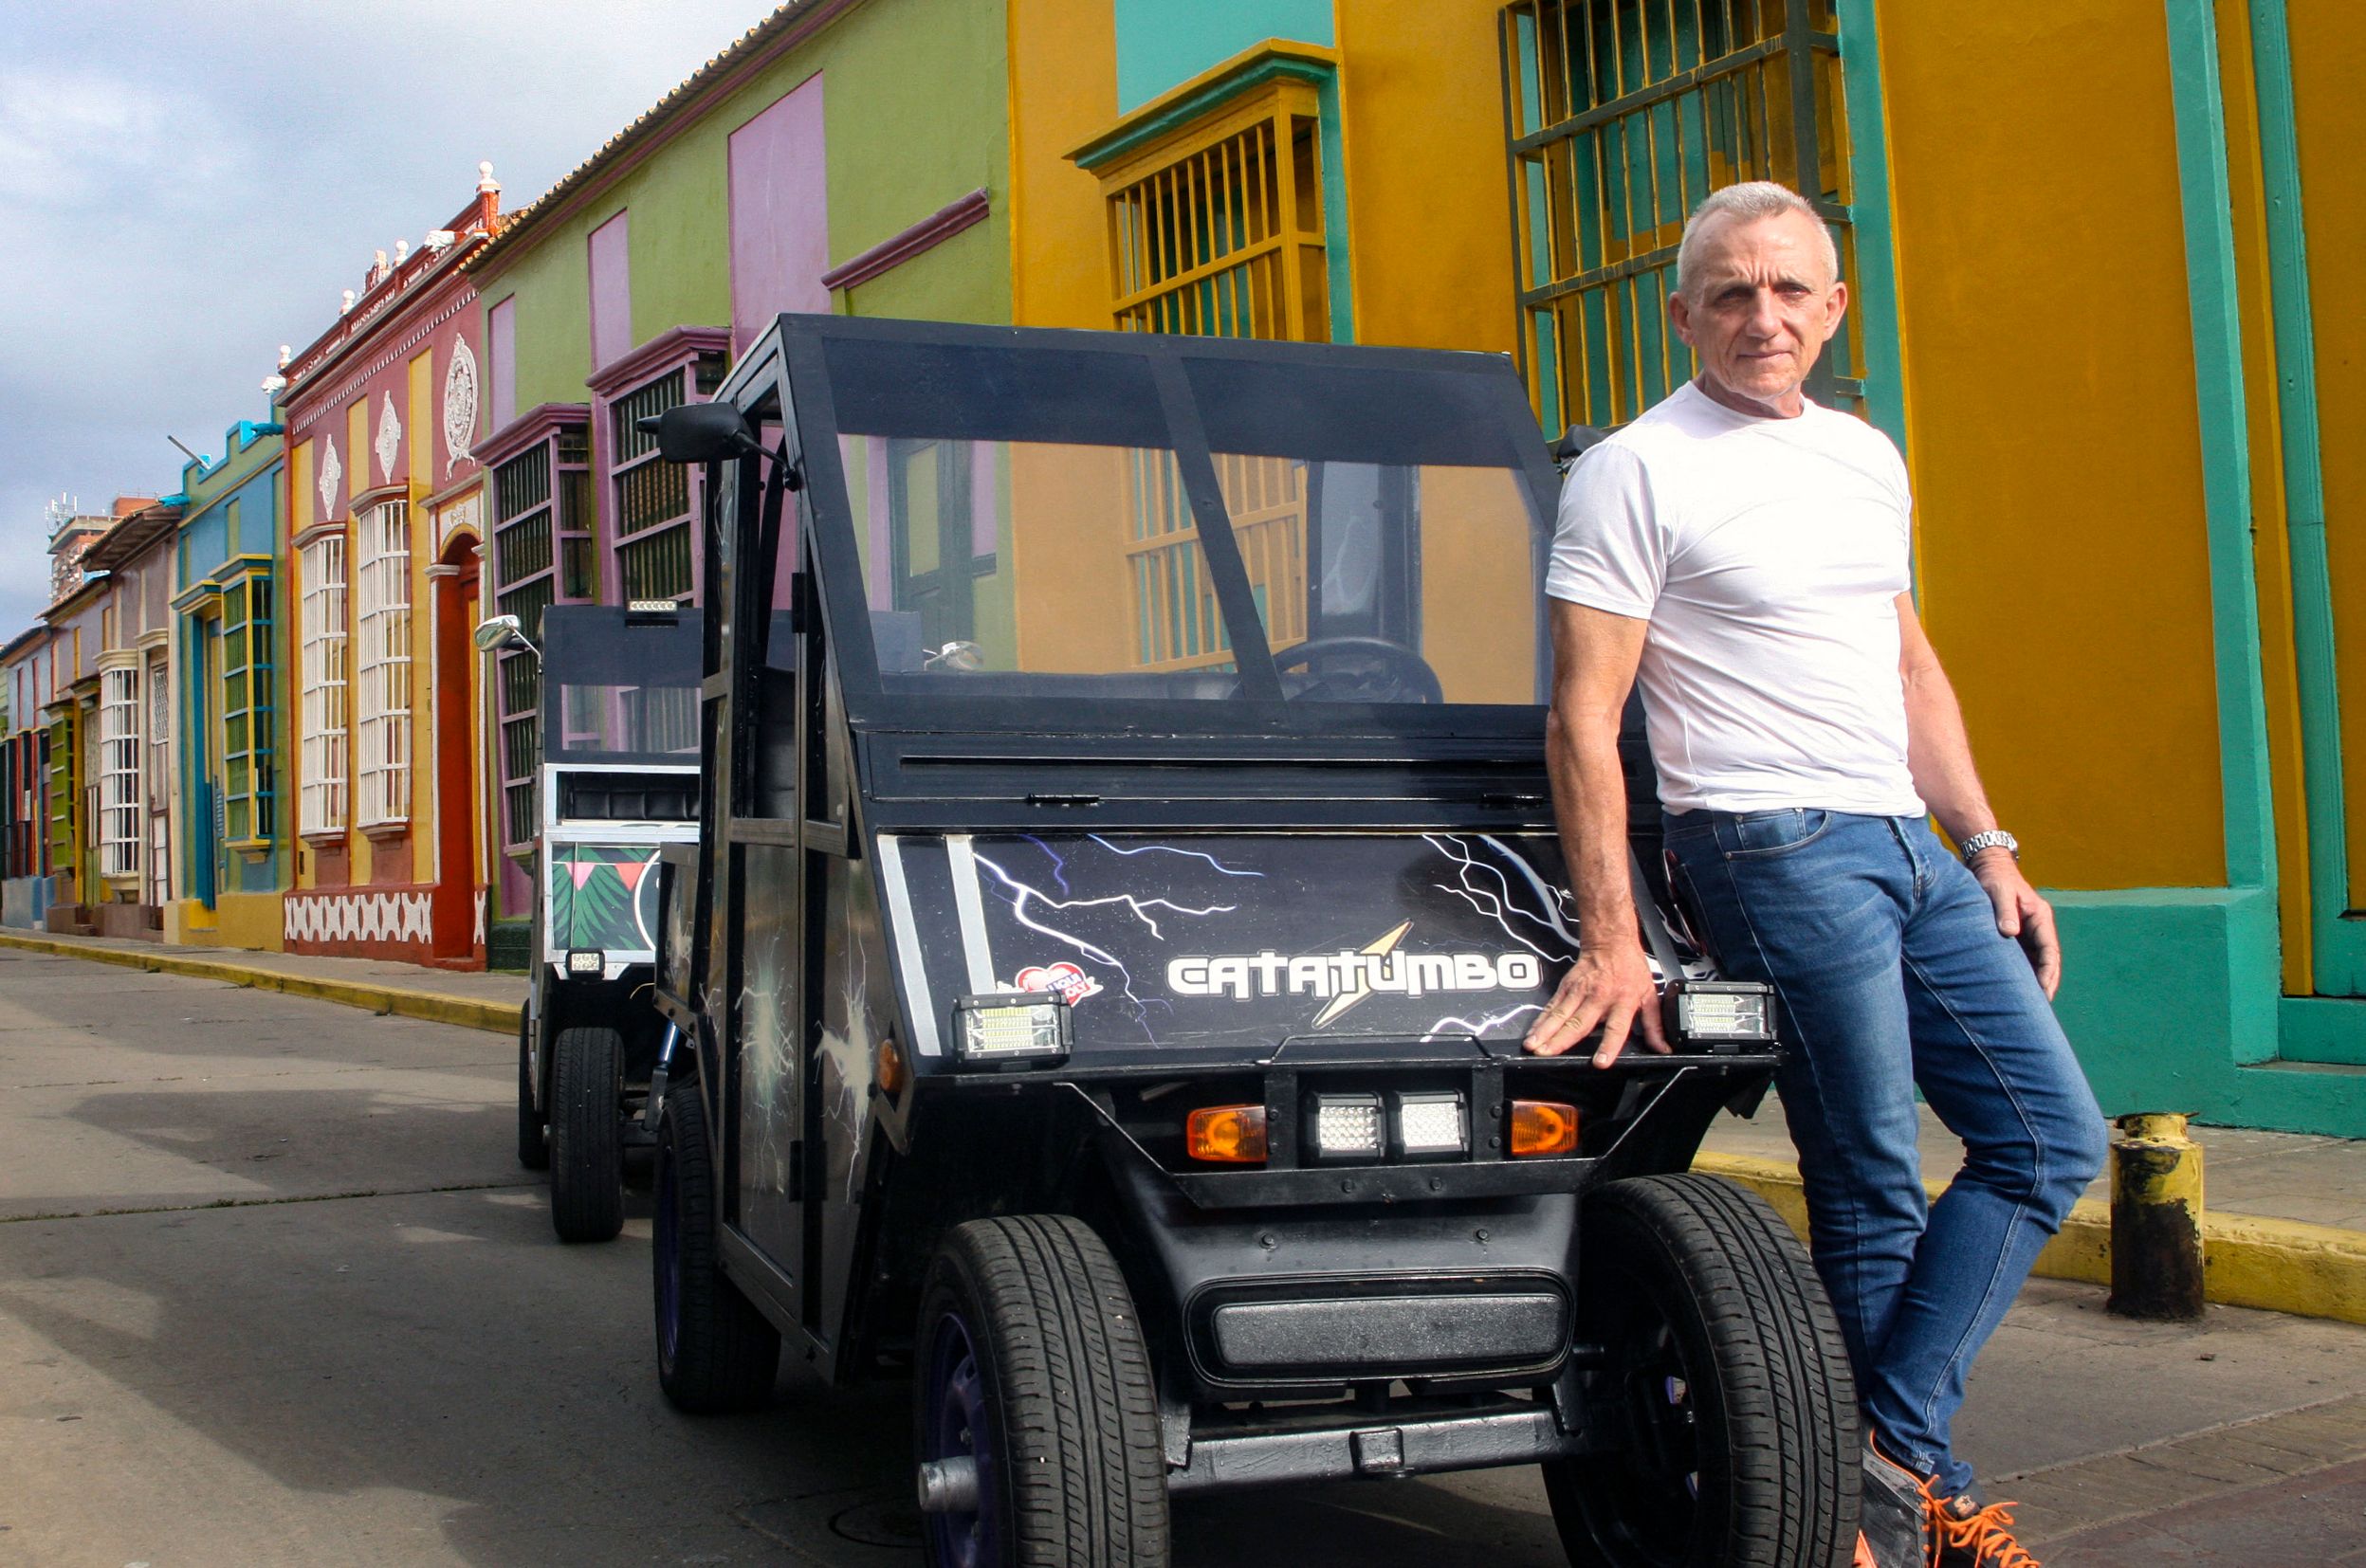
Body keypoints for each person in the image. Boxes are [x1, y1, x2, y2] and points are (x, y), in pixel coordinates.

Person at [1524, 180, 2106, 1568]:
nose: (1761, 315)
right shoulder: (1634, 469)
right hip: (1769, 840)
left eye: (1790, 289)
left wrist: (1991, 843)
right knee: (1868, 1176)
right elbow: (1582, 716)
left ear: (1834, 308)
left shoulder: (1863, 455)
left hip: (1907, 838)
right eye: (1731, 290)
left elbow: (1904, 662)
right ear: (1684, 314)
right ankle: (1905, 1513)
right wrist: (1616, 937)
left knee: (2048, 1137)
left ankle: (1887, 1462)